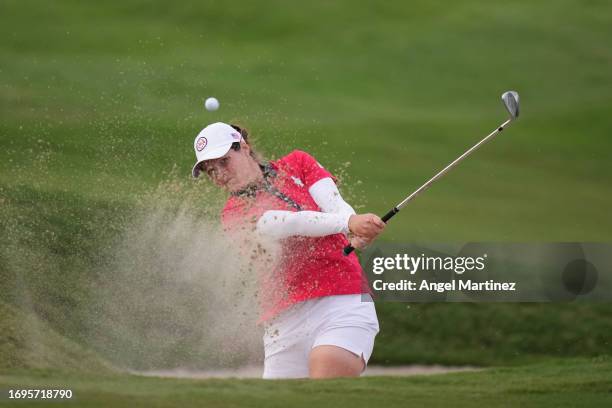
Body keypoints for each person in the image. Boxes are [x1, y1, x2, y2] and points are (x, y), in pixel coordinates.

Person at [191, 122, 385, 379]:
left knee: (326, 381)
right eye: (210, 170)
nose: (219, 173)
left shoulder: (297, 163)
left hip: (340, 301)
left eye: (224, 161)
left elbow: (336, 205)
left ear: (245, 148)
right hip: (281, 324)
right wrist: (348, 224)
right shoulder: (233, 215)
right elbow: (286, 222)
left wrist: (353, 228)